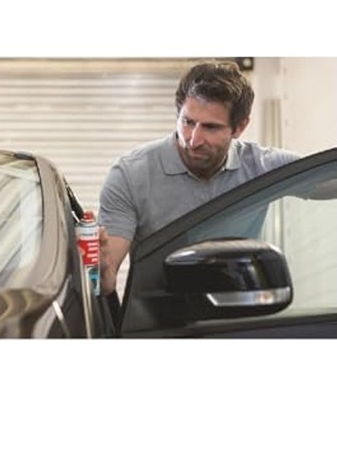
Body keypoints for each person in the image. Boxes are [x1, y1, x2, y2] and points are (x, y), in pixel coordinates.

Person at [98, 59, 301, 303]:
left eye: (211, 127)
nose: (193, 140)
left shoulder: (262, 166)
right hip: (158, 318)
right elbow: (107, 272)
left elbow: (326, 178)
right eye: (188, 122)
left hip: (238, 316)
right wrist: (101, 273)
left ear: (240, 127)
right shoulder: (130, 174)